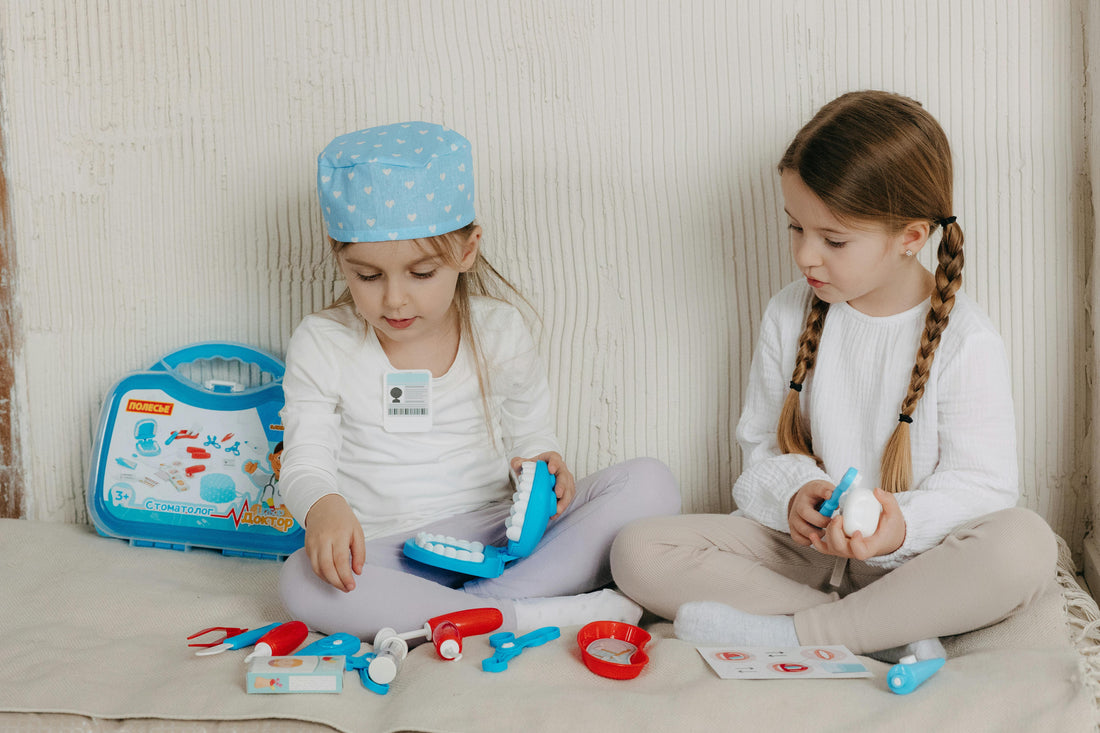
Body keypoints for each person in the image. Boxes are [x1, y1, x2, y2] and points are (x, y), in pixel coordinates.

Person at [609, 91, 1056, 661]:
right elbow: (762, 449)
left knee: (1025, 545)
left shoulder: (967, 340)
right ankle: (873, 631)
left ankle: (804, 632)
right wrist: (795, 493)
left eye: (834, 240)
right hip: (805, 558)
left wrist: (897, 528)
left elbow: (983, 488)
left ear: (911, 238)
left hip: (915, 565)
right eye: (796, 228)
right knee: (638, 550)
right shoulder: (789, 312)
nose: (805, 257)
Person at [278, 122, 680, 640]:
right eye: (367, 276)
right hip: (387, 551)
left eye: (421, 274)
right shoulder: (322, 341)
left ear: (466, 251)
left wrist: (545, 471)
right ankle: (526, 611)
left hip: (496, 534)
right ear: (341, 259)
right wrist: (322, 508)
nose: (394, 300)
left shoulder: (499, 329)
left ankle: (477, 609)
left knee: (650, 483)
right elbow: (304, 457)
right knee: (299, 580)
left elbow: (531, 436)